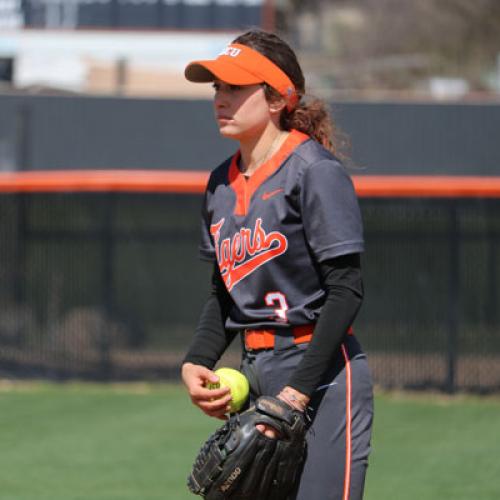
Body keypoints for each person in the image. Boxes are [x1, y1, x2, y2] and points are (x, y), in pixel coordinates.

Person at [181, 29, 374, 500]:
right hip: (255, 369)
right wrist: (197, 361)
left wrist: (297, 393)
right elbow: (224, 291)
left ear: (274, 98)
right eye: (216, 89)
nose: (220, 99)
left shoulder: (314, 171)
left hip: (321, 373)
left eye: (234, 88)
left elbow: (346, 289)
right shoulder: (219, 185)